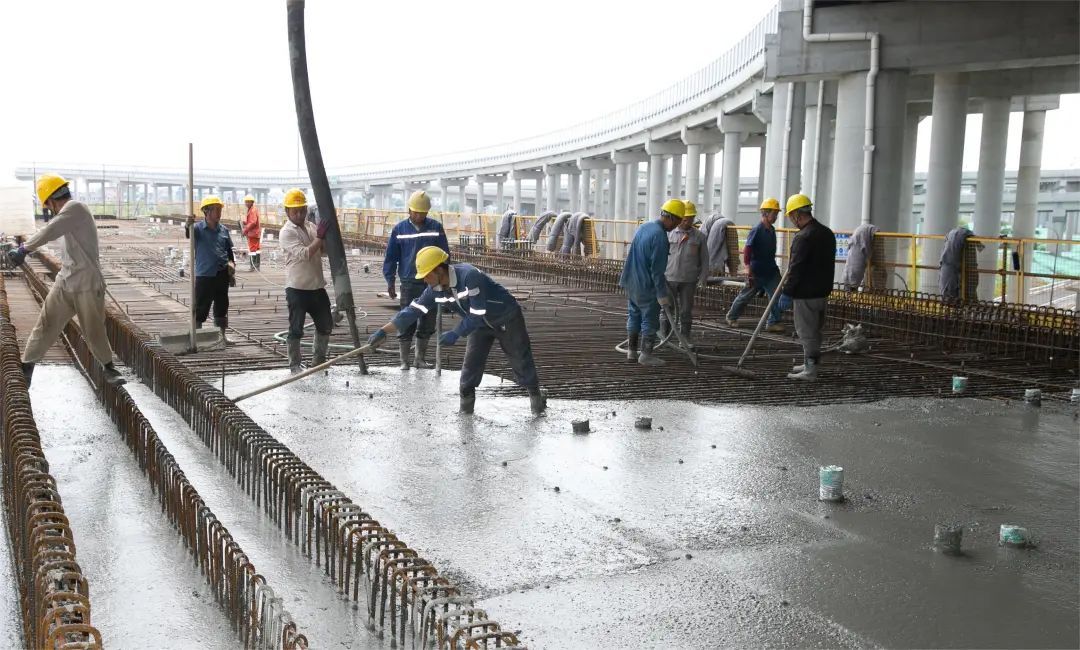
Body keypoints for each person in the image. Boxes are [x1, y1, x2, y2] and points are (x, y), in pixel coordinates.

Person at [366, 246, 546, 415]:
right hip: (478, 326)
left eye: (426, 275)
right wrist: (383, 331)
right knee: (469, 370)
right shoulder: (435, 290)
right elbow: (411, 312)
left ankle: (536, 401)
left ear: (439, 270)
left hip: (505, 317)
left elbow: (477, 312)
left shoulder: (469, 276)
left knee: (521, 360)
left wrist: (456, 333)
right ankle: (466, 414)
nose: (424, 280)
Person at [6, 174, 125, 387]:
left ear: (51, 200)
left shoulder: (76, 207)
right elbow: (54, 228)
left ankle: (109, 367)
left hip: (88, 282)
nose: (49, 209)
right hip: (66, 279)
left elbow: (51, 229)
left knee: (93, 328)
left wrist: (24, 249)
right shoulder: (69, 213)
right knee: (46, 322)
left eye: (47, 205)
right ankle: (28, 365)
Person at [382, 190, 449, 370]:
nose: (419, 216)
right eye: (416, 212)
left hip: (432, 282)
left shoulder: (436, 228)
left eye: (423, 213)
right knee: (407, 320)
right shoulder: (399, 230)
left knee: (427, 321)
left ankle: (419, 359)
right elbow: (391, 257)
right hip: (409, 282)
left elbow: (445, 256)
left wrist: (444, 282)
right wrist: (390, 281)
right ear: (409, 210)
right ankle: (404, 361)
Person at [619, 198, 684, 365]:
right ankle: (646, 355)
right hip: (646, 285)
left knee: (634, 314)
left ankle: (632, 352)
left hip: (631, 280)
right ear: (670, 217)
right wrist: (662, 295)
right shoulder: (660, 237)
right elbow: (657, 271)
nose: (676, 226)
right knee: (650, 318)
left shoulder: (644, 227)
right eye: (677, 222)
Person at [779, 194, 835, 381]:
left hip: (805, 294)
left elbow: (796, 268)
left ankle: (810, 370)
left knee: (806, 332)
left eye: (790, 217)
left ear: (796, 214)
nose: (791, 221)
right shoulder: (826, 233)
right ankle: (809, 362)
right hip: (823, 291)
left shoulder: (803, 237)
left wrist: (787, 292)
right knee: (815, 330)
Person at [279, 189, 333, 373]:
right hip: (297, 288)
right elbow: (305, 253)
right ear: (287, 212)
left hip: (317, 286)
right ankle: (294, 364)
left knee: (325, 325)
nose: (300, 214)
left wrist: (325, 239)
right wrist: (320, 237)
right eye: (295, 211)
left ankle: (318, 361)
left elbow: (321, 251)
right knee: (296, 328)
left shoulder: (310, 227)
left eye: (302, 210)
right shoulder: (286, 233)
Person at [725, 198, 785, 333]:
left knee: (776, 294)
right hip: (756, 271)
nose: (775, 216)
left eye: (776, 214)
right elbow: (748, 249)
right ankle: (731, 316)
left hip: (770, 270)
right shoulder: (757, 230)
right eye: (773, 214)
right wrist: (748, 267)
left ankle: (773, 322)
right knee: (746, 295)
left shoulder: (772, 230)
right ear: (765, 213)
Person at [185, 195, 236, 345]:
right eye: (215, 209)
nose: (219, 212)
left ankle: (221, 337)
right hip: (205, 275)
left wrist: (232, 268)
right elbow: (189, 234)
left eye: (220, 209)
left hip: (222, 274)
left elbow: (229, 252)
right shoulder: (198, 229)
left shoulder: (224, 230)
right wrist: (188, 224)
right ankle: (198, 337)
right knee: (201, 307)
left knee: (221, 306)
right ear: (206, 212)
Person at [659, 200, 709, 343]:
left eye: (691, 218)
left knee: (686, 311)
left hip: (689, 280)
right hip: (669, 279)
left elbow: (705, 259)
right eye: (685, 218)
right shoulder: (668, 234)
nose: (688, 221)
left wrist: (703, 278)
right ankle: (665, 336)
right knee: (667, 309)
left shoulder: (699, 237)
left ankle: (684, 338)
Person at [241, 194, 262, 270]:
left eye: (247, 202)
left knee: (252, 249)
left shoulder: (252, 210)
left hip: (253, 233)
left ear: (251, 202)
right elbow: (252, 221)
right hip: (255, 233)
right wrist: (246, 222)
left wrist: (245, 230)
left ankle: (253, 266)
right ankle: (257, 266)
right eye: (245, 202)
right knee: (257, 249)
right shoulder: (253, 209)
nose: (246, 203)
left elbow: (253, 222)